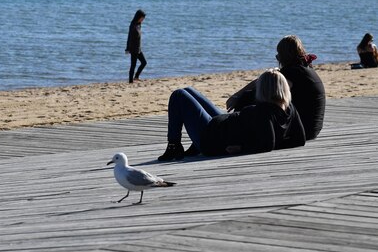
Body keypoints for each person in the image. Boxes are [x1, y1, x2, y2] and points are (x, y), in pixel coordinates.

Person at [158, 69, 305, 161]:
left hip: (210, 138)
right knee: (188, 90)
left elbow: (267, 144)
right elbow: (300, 139)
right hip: (221, 126)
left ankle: (174, 146)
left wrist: (241, 148)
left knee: (178, 95)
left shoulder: (263, 111)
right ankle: (181, 146)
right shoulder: (289, 108)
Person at [226, 35, 326, 141]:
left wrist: (238, 96)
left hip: (302, 130)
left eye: (278, 54)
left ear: (285, 56)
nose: (277, 57)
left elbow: (262, 84)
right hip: (312, 129)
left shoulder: (293, 73)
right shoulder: (305, 69)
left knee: (250, 97)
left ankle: (234, 126)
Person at [125, 9, 147, 83]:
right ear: (138, 17)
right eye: (142, 18)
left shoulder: (139, 25)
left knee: (144, 62)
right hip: (133, 49)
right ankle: (130, 81)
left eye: (143, 18)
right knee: (133, 65)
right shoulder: (133, 25)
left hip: (138, 49)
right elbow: (129, 37)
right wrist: (127, 48)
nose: (143, 20)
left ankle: (136, 76)